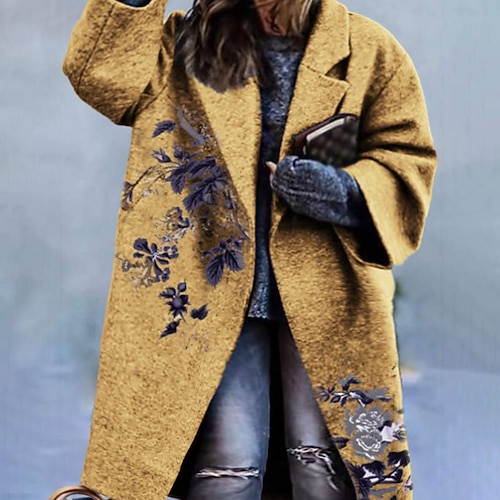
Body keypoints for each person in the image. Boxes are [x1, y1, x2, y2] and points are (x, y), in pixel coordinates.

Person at [60, 0, 437, 499]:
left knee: (325, 461)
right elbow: (101, 77)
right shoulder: (185, 44)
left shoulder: (367, 48)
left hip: (328, 291)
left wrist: (338, 189)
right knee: (227, 464)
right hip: (205, 290)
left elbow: (407, 159)